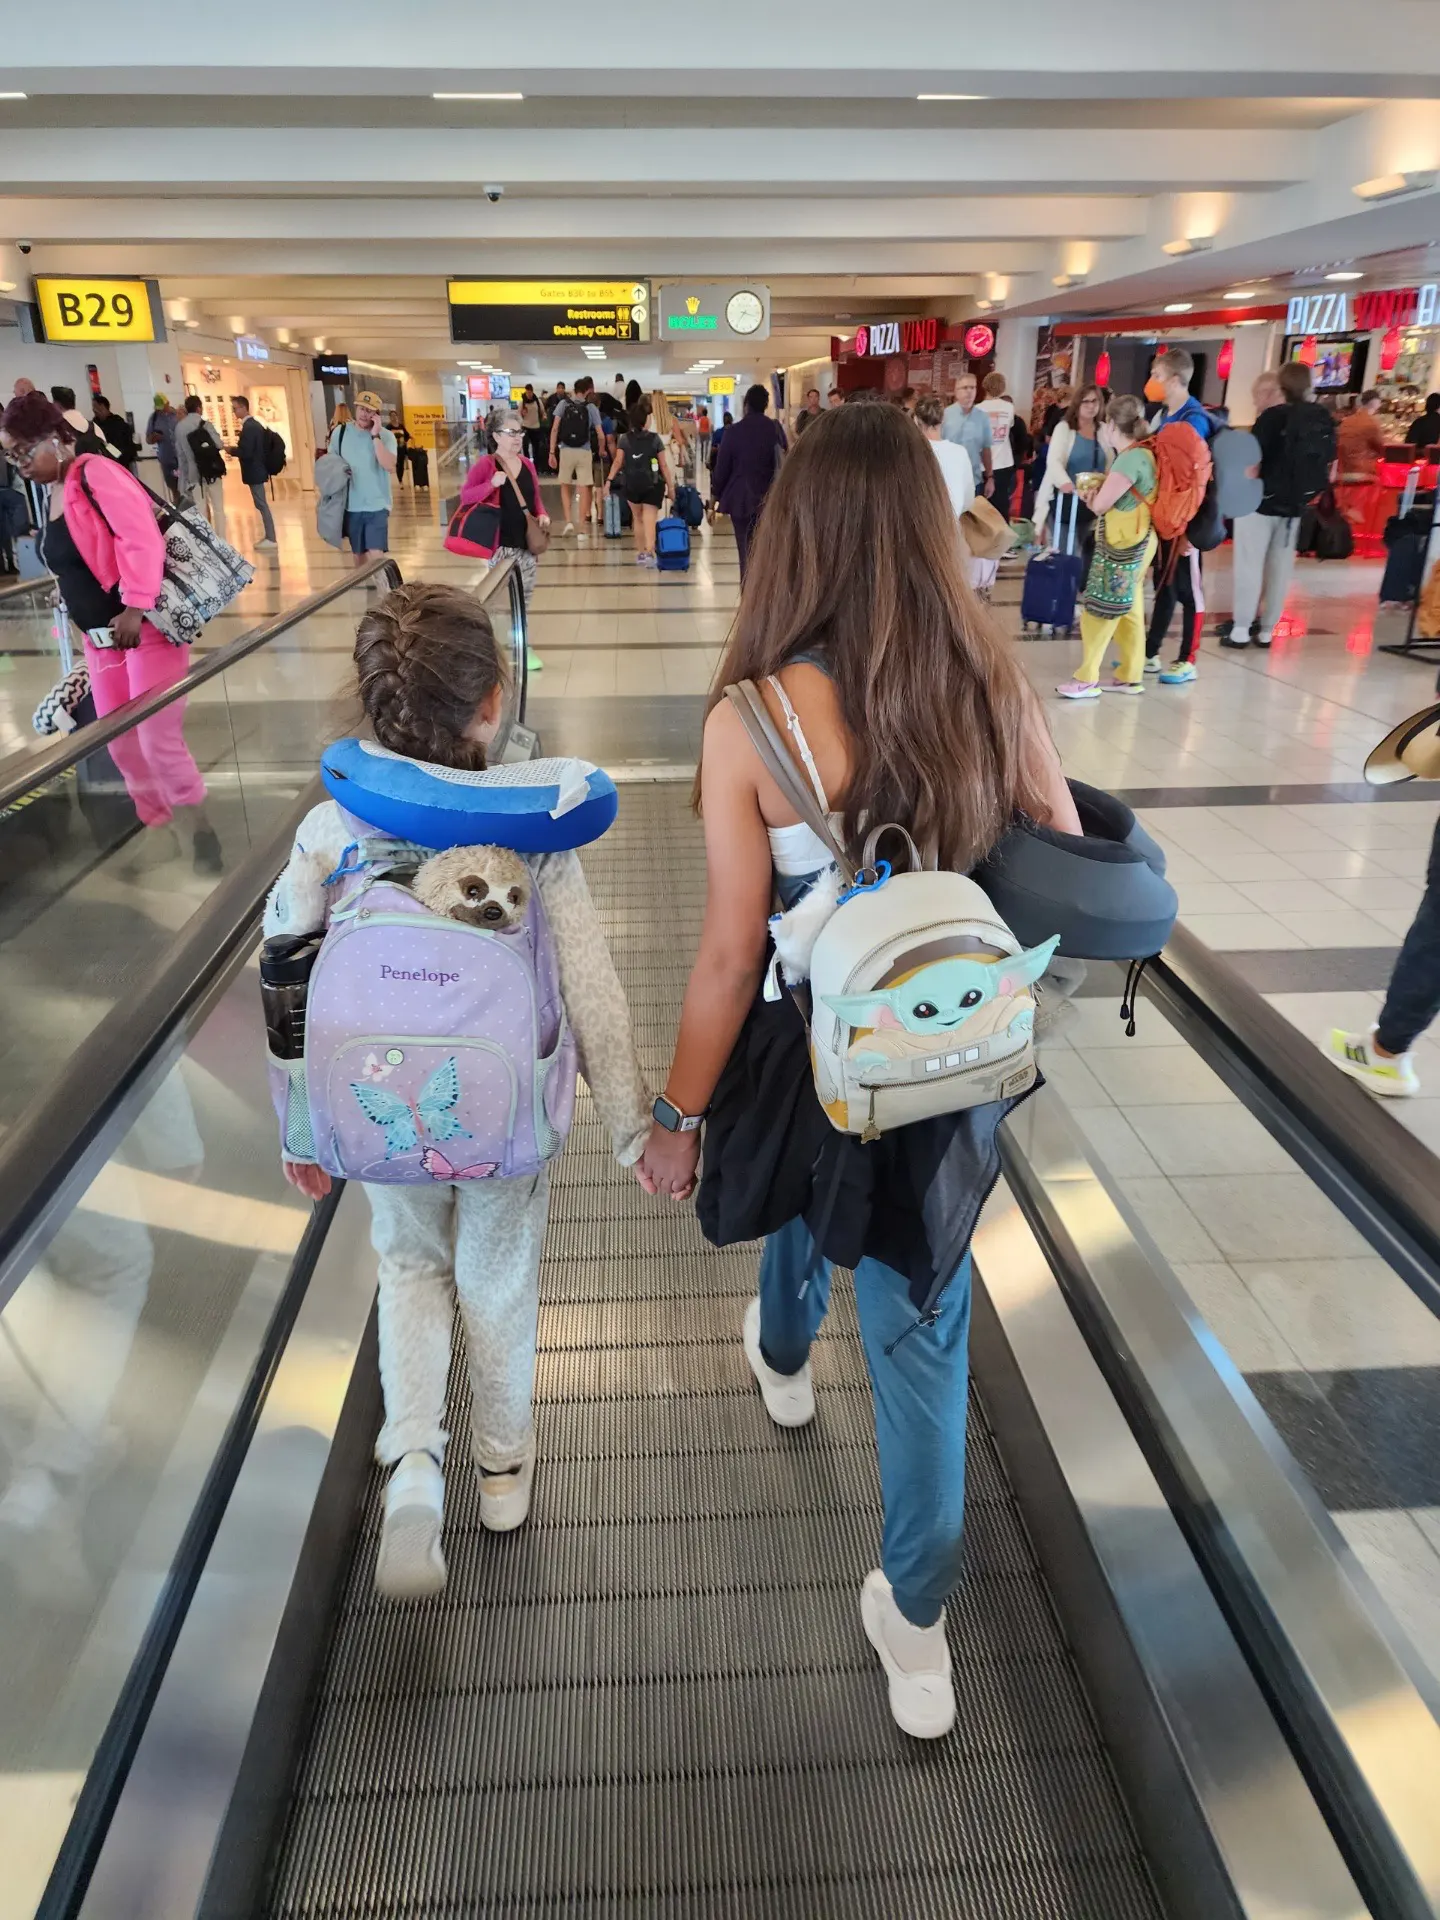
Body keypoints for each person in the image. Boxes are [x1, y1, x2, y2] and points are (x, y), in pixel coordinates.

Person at [635, 402, 1081, 1739]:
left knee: (792, 1175)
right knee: (922, 1329)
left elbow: (725, 962)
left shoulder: (750, 719)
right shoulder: (991, 682)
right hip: (940, 1069)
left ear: (801, 532)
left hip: (801, 1048)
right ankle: (919, 1620)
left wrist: (675, 1119)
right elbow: (1063, 844)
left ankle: (779, 1351)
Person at [268, 582, 651, 1596]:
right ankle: (502, 1470)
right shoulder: (531, 830)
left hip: (379, 1105)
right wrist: (630, 1126)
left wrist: (299, 1129)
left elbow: (283, 975)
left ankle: (412, 1468)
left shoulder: (331, 828)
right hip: (506, 1112)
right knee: (496, 1278)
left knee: (407, 1268)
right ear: (491, 703)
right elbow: (594, 989)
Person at [0, 392, 217, 872]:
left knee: (156, 740)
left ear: (56, 439)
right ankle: (160, 828)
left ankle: (201, 830)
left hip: (145, 632)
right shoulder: (53, 490)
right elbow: (76, 557)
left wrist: (136, 608)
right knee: (120, 743)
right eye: (11, 457)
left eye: (22, 452)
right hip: (101, 643)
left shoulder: (94, 473)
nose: (20, 466)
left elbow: (139, 537)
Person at [1225, 359, 1336, 652]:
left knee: (1249, 565)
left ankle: (1239, 629)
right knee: (1280, 569)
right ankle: (1266, 631)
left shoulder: (1271, 419)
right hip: (1294, 507)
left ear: (1278, 388)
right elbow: (1331, 468)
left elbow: (1252, 469)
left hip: (1260, 503)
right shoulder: (1320, 416)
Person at [1056, 394, 1159, 699]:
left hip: (1123, 543)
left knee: (1099, 609)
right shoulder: (1146, 452)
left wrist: (1091, 497)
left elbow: (1101, 505)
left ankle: (1087, 678)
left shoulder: (1129, 459)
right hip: (1141, 538)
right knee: (1130, 608)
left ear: (1113, 425)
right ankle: (1131, 674)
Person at [1142, 347, 1215, 685]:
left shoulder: (1194, 419)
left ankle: (1188, 657)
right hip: (1165, 516)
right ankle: (1151, 651)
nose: (1152, 383)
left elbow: (1193, 481)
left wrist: (1187, 529)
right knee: (1165, 585)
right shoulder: (1164, 416)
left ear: (1174, 379)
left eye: (1157, 376)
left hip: (1186, 520)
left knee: (1189, 589)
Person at [458, 406, 550, 662]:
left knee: (525, 597)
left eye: (519, 432)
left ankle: (522, 645)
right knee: (500, 601)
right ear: (496, 436)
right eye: (511, 432)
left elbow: (535, 499)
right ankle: (492, 649)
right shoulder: (485, 465)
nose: (518, 437)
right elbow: (465, 497)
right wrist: (491, 484)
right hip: (500, 546)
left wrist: (541, 514)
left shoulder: (528, 465)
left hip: (527, 544)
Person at [712, 383, 787, 577]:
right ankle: (767, 593)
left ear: (746, 405)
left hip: (741, 500)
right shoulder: (775, 429)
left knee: (745, 551)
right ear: (765, 405)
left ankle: (749, 596)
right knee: (767, 551)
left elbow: (721, 469)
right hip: (770, 499)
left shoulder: (733, 432)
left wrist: (713, 499)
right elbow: (785, 459)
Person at [1033, 383, 1108, 543]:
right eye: (1085, 402)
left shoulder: (1104, 430)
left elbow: (1110, 462)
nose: (1090, 406)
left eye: (1095, 401)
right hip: (1066, 500)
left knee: (1085, 553)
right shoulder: (1064, 428)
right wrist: (1065, 483)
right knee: (1067, 551)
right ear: (1077, 404)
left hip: (1093, 504)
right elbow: (1054, 461)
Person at [329, 389, 397, 567]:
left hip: (377, 505)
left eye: (369, 411)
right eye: (362, 409)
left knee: (376, 554)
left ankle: (386, 591)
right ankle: (368, 590)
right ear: (356, 408)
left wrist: (375, 436)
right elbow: (330, 464)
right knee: (359, 557)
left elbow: (389, 465)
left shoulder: (386, 436)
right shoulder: (340, 433)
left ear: (376, 415)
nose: (364, 414)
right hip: (351, 505)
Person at [607, 397, 673, 568]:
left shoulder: (624, 439)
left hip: (631, 484)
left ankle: (641, 553)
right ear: (646, 420)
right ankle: (650, 552)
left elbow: (617, 462)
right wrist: (671, 487)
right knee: (650, 517)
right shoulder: (655, 439)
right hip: (652, 484)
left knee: (637, 518)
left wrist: (609, 480)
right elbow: (663, 465)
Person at [548, 375, 603, 537]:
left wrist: (552, 452)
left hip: (566, 450)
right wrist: (601, 449)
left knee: (565, 485)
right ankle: (582, 528)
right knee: (584, 487)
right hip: (584, 451)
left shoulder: (563, 404)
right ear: (587, 391)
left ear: (574, 390)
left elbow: (555, 428)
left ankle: (569, 522)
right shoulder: (591, 407)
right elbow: (600, 434)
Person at [914, 393, 974, 520]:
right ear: (943, 419)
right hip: (950, 527)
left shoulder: (910, 452)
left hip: (917, 527)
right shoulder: (959, 452)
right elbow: (968, 500)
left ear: (916, 420)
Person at [174, 395, 228, 536]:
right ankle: (222, 540)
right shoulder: (206, 424)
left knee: (200, 509)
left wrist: (183, 480)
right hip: (212, 472)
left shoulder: (179, 427)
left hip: (193, 474)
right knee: (218, 508)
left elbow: (181, 456)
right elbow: (219, 444)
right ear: (199, 408)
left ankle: (206, 541)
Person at [230, 395, 278, 551]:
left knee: (262, 504)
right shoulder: (253, 425)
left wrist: (231, 450)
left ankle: (271, 537)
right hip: (256, 469)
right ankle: (269, 536)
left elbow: (247, 451)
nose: (234, 411)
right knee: (260, 504)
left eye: (235, 408)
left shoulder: (250, 427)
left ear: (244, 408)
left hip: (255, 470)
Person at [941, 372, 993, 500]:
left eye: (972, 387)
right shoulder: (945, 416)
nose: (969, 392)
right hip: (948, 481)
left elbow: (986, 449)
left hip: (973, 480)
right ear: (956, 391)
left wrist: (990, 477)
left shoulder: (982, 418)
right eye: (965, 388)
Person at [1338, 387, 1387, 478]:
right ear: (1377, 403)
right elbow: (1382, 449)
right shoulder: (1371, 422)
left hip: (1343, 470)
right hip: (1363, 471)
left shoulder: (1347, 421)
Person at [145, 392, 181, 501]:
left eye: (163, 407)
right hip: (167, 460)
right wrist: (154, 438)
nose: (161, 410)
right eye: (158, 408)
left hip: (181, 459)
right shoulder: (154, 418)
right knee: (174, 488)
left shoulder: (177, 415)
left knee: (186, 487)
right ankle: (179, 512)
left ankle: (192, 513)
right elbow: (148, 439)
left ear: (168, 403)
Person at [91, 396, 138, 470]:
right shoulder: (94, 425)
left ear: (102, 406)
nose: (93, 410)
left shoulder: (118, 423)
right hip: (102, 464)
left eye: (95, 406)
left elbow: (125, 446)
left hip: (120, 463)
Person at [519, 383, 545, 469]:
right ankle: (527, 466)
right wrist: (522, 415)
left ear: (532, 392)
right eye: (527, 393)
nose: (529, 394)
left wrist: (544, 416)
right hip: (525, 427)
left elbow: (542, 412)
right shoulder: (522, 402)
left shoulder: (537, 401)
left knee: (536, 448)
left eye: (530, 392)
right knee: (525, 447)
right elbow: (518, 415)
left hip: (535, 427)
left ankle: (536, 467)